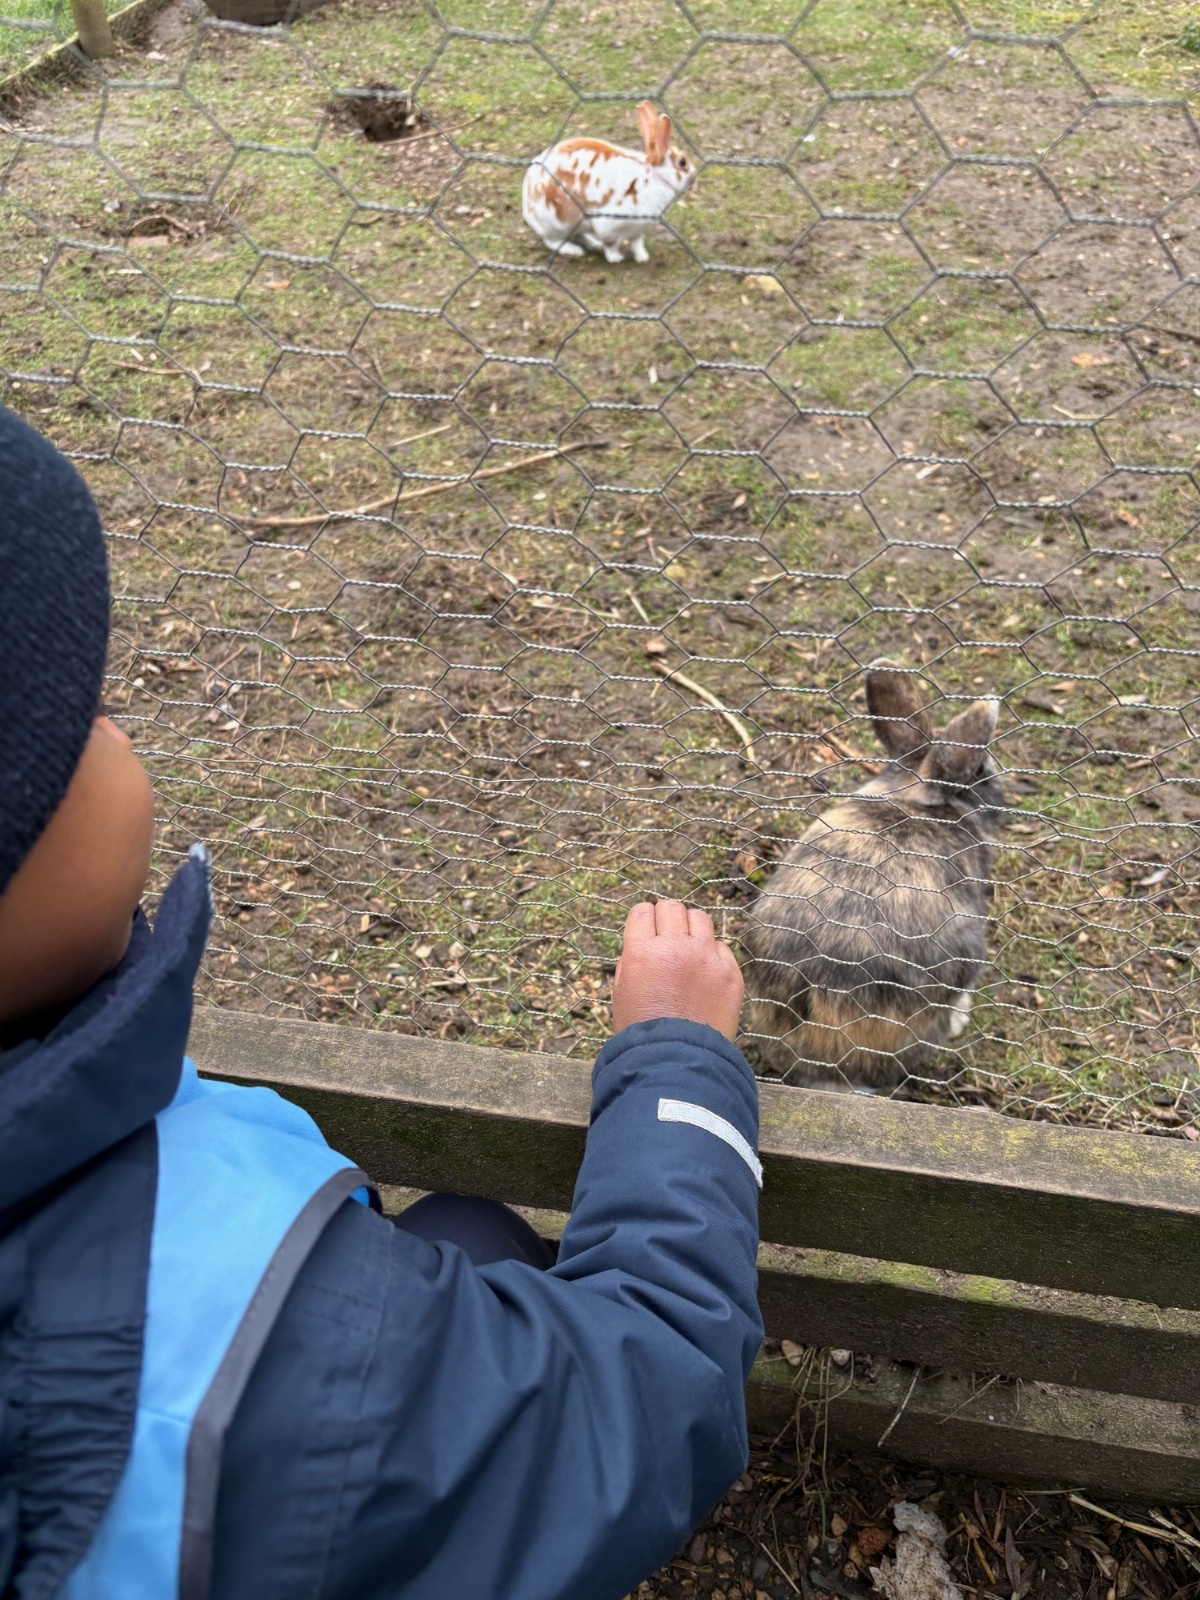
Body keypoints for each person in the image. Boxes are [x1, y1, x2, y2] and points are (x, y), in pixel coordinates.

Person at [0, 403, 764, 1600]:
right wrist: (679, 1068)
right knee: (476, 1255)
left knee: (465, 1235)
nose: (116, 725)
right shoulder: (283, 1359)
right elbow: (647, 1396)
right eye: (75, 719)